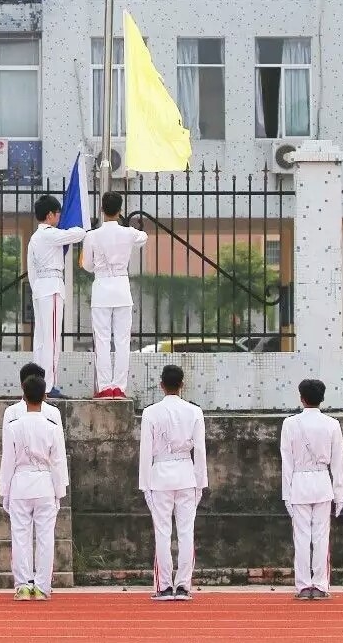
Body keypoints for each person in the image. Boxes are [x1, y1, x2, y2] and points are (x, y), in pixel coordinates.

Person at [138, 364, 208, 601]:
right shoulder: (194, 411)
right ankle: (184, 585)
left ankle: (165, 585)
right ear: (182, 384)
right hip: (186, 473)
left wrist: (144, 484)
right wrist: (201, 482)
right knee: (186, 532)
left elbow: (146, 451)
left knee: (162, 532)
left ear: (161, 385)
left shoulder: (151, 412)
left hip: (160, 475)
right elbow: (200, 451)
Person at [0, 372, 69, 600]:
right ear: (45, 396)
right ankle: (42, 586)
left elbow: (7, 460)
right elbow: (58, 460)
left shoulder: (14, 425)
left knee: (20, 536)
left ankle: (22, 585)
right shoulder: (52, 425)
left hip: (20, 482)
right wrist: (60, 491)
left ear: (23, 394)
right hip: (44, 483)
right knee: (46, 537)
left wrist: (5, 491)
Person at [281, 378, 343, 602]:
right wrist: (340, 495)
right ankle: (320, 584)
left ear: (301, 398)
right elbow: (338, 464)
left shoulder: (290, 424)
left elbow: (286, 462)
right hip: (322, 483)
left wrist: (286, 493)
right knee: (321, 537)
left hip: (299, 483)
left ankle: (302, 585)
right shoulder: (332, 424)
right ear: (322, 398)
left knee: (300, 537)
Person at [81, 190, 149, 398]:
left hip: (101, 287)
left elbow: (88, 266)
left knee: (101, 339)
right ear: (120, 211)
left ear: (101, 209)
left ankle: (104, 387)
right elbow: (143, 237)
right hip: (121, 288)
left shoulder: (91, 236)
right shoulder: (128, 233)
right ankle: (119, 386)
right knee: (122, 340)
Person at [26, 193, 87, 395]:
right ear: (50, 215)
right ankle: (49, 385)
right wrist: (83, 222)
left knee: (41, 339)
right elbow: (77, 234)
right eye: (58, 214)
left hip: (40, 288)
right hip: (52, 287)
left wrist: (37, 288)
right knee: (52, 339)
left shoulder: (35, 237)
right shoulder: (50, 234)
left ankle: (36, 381)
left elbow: (31, 270)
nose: (59, 217)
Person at [3, 361, 62, 430]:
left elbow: (7, 440)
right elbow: (59, 440)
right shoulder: (53, 411)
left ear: (22, 385)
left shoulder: (11, 412)